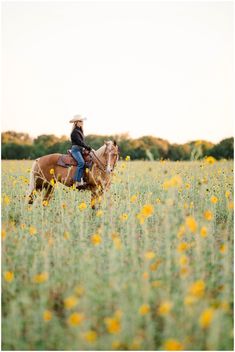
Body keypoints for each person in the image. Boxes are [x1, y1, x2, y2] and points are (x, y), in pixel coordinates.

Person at [69, 115, 92, 187]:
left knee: (89, 161)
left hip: (80, 149)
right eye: (80, 121)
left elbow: (82, 142)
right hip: (75, 150)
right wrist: (87, 147)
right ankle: (77, 181)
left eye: (82, 121)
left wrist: (85, 148)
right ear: (76, 122)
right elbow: (79, 142)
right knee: (81, 162)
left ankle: (85, 179)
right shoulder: (75, 132)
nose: (82, 122)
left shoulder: (80, 131)